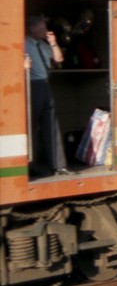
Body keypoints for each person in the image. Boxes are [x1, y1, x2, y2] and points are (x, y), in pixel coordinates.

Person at [24, 14, 67, 176]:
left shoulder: (43, 45)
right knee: (31, 126)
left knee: (51, 124)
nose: (45, 30)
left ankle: (59, 165)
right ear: (32, 28)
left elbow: (59, 59)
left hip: (45, 84)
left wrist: (54, 44)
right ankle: (30, 164)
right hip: (32, 85)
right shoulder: (22, 43)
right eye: (42, 27)